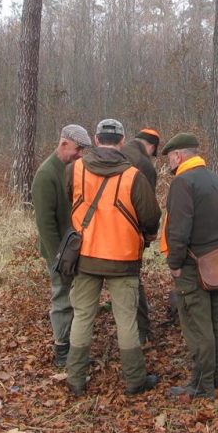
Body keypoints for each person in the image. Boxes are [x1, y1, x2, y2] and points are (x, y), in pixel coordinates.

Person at [65, 119, 162, 396]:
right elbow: (151, 217)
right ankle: (134, 381)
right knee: (126, 320)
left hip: (84, 256)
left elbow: (68, 202)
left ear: (96, 140)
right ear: (121, 141)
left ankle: (75, 379)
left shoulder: (74, 170)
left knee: (82, 317)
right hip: (123, 259)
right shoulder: (134, 176)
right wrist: (147, 236)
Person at [161, 132, 218, 400]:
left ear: (178, 156)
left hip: (192, 266)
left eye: (170, 158)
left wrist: (175, 263)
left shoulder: (183, 183)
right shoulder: (216, 179)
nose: (169, 164)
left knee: (197, 326)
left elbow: (178, 229)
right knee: (217, 321)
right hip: (216, 262)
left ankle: (202, 387)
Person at [31, 124, 93, 368]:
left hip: (75, 248)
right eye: (78, 149)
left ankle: (74, 345)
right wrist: (58, 258)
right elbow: (45, 223)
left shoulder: (73, 169)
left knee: (76, 297)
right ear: (64, 143)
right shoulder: (46, 175)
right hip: (59, 251)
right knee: (61, 298)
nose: (80, 154)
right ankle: (62, 349)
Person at [121, 127, 161, 344]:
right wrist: (147, 237)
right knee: (133, 281)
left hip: (99, 234)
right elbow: (148, 208)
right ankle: (142, 330)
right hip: (130, 233)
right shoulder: (145, 165)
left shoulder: (117, 151)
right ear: (152, 147)